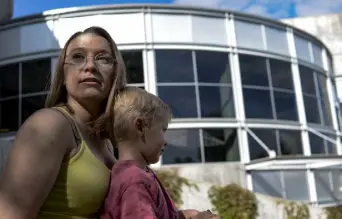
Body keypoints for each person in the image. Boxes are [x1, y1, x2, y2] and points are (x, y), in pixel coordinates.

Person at [0, 26, 127, 219]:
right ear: (63, 74)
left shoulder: (106, 142)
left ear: (115, 73)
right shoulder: (49, 124)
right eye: (77, 57)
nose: (90, 66)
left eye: (103, 58)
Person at [100, 87, 219, 219]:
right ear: (140, 126)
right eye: (163, 130)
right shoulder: (134, 182)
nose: (165, 141)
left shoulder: (137, 174)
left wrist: (186, 216)